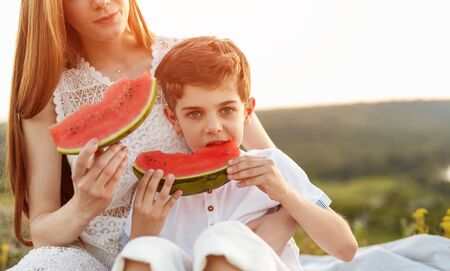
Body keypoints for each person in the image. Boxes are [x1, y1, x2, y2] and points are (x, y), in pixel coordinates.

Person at [6, 1, 302, 270]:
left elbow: (279, 170)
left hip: (197, 248)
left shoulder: (187, 60)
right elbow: (43, 232)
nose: (102, 2)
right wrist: (83, 205)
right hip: (96, 259)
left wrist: (284, 221)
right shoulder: (48, 91)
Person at [112, 36, 357, 271]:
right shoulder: (156, 188)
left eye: (226, 110)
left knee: (222, 237)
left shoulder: (271, 165)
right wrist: (141, 234)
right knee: (147, 250)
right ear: (173, 119)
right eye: (195, 114)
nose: (213, 127)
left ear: (247, 111)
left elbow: (345, 248)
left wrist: (286, 195)